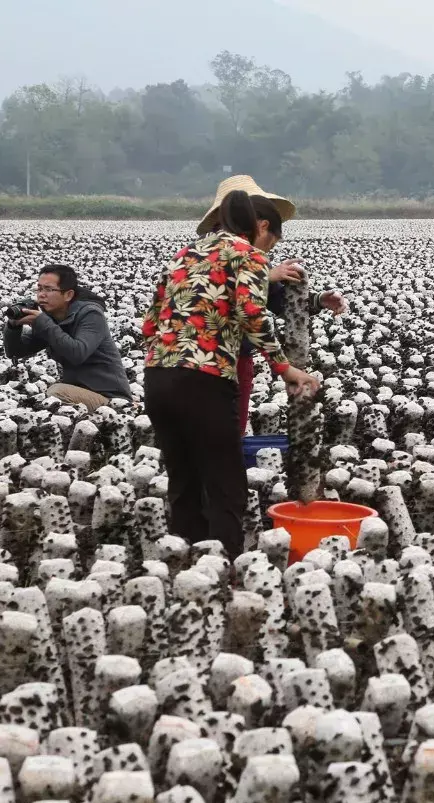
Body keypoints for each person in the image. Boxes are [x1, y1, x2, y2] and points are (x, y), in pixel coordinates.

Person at [142, 189, 320, 559]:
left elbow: (150, 321)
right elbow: (250, 315)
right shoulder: (248, 255)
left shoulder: (185, 254)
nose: (269, 250)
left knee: (183, 480)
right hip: (204, 380)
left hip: (158, 377)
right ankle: (224, 572)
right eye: (271, 242)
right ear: (261, 228)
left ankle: (187, 570)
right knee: (226, 484)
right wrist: (285, 367)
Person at [195, 182, 347, 433]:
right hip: (203, 360)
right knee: (208, 436)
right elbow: (238, 307)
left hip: (223, 360)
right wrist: (283, 367)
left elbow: (279, 301)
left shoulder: (250, 257)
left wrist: (318, 300)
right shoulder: (204, 255)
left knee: (230, 432)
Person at [3, 264, 133, 410]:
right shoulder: (51, 318)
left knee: (56, 393)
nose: (41, 295)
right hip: (79, 391)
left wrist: (43, 322)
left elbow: (77, 353)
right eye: (39, 289)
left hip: (111, 400)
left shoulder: (91, 314)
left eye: (48, 289)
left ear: (68, 295)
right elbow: (15, 352)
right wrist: (13, 327)